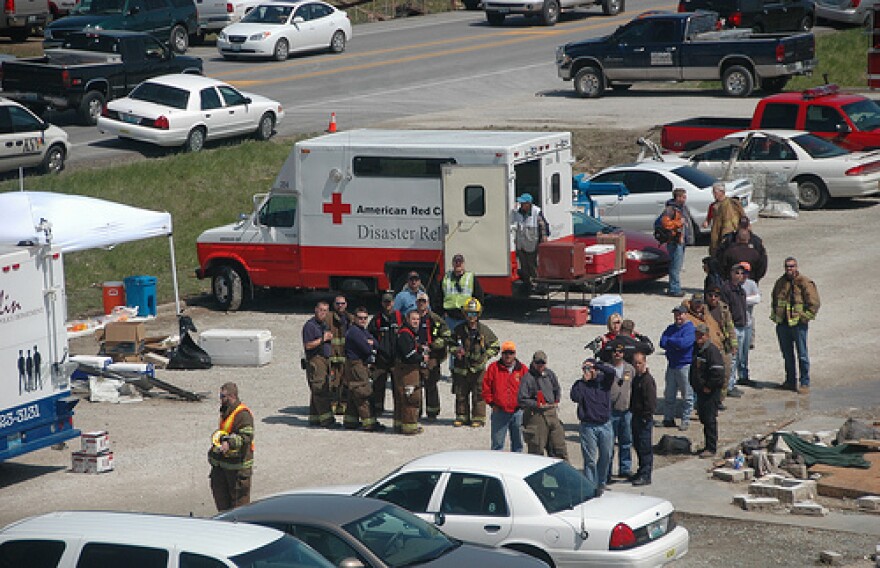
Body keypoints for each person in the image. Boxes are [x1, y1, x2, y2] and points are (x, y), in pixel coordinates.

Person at [770, 257, 820, 394]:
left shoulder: (804, 282)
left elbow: (814, 303)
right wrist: (776, 316)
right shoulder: (780, 282)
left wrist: (804, 318)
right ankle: (790, 381)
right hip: (783, 324)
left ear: (796, 267)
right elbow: (774, 299)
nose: (789, 269)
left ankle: (804, 382)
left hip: (798, 325)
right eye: (787, 266)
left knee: (802, 354)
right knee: (787, 355)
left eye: (792, 266)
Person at [450, 297, 499, 427]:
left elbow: (495, 345)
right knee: (461, 393)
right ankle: (462, 417)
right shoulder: (458, 330)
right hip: (461, 368)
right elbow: (449, 344)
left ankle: (478, 418)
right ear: (465, 314)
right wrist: (456, 351)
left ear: (478, 314)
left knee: (479, 394)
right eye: (469, 313)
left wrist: (486, 356)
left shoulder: (484, 330)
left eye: (474, 314)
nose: (471, 317)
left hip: (478, 369)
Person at [570, 358, 616, 492]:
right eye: (585, 369)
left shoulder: (604, 382)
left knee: (606, 455)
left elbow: (611, 372)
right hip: (588, 426)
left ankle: (601, 482)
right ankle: (590, 486)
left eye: (590, 369)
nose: (588, 371)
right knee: (589, 459)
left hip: (605, 425)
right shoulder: (580, 384)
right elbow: (575, 397)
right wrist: (584, 381)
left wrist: (596, 365)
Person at [209, 382, 254, 512]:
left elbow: (247, 437)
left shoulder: (243, 414)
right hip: (223, 467)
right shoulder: (226, 411)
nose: (221, 400)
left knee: (239, 511)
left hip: (238, 471)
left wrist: (230, 443)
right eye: (220, 396)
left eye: (223, 396)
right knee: (223, 509)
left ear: (232, 396)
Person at [518, 350, 568, 460]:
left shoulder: (550, 374)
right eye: (538, 363)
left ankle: (562, 475)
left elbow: (557, 388)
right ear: (533, 362)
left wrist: (556, 400)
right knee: (536, 450)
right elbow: (521, 399)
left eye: (543, 363)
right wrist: (536, 404)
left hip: (552, 414)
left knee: (559, 447)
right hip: (536, 416)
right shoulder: (527, 378)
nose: (540, 365)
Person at [342, 306, 385, 432]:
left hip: (360, 365)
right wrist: (369, 344)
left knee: (353, 393)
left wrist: (371, 343)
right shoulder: (354, 332)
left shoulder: (362, 331)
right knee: (363, 393)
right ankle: (369, 423)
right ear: (354, 318)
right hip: (356, 366)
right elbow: (367, 349)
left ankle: (351, 421)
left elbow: (376, 344)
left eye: (365, 318)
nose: (363, 320)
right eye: (360, 318)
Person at [483, 341, 526, 452]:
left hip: (517, 412)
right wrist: (491, 403)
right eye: (505, 353)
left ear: (515, 354)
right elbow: (486, 387)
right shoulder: (493, 368)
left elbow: (529, 388)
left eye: (510, 353)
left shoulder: (522, 369)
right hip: (499, 412)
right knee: (497, 445)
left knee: (518, 445)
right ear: (502, 354)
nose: (508, 356)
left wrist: (525, 405)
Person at [690, 324, 725, 458]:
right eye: (697, 334)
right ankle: (707, 445)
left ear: (707, 336)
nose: (698, 337)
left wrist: (709, 386)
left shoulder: (712, 351)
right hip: (700, 391)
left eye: (701, 335)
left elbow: (718, 373)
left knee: (710, 419)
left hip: (710, 392)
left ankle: (711, 448)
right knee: (704, 418)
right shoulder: (697, 349)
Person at [415, 291, 451, 421]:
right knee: (416, 384)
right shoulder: (411, 317)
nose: (421, 304)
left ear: (428, 303)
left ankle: (432, 412)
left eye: (423, 301)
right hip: (415, 355)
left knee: (431, 383)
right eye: (419, 301)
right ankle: (416, 412)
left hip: (432, 355)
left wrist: (433, 345)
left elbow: (446, 334)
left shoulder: (435, 318)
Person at [659, 305, 695, 430]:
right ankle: (668, 419)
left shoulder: (690, 329)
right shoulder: (671, 328)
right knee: (669, 394)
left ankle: (685, 420)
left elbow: (685, 344)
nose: (678, 317)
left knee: (687, 395)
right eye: (676, 314)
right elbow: (662, 342)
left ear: (686, 315)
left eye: (680, 314)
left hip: (685, 365)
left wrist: (671, 341)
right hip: (672, 365)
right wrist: (675, 343)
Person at [367, 292, 403, 416]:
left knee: (398, 386)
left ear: (393, 303)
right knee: (378, 385)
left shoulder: (399, 317)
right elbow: (369, 335)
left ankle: (398, 409)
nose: (388, 304)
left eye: (390, 302)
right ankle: (377, 409)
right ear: (382, 303)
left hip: (396, 359)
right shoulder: (377, 319)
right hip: (381, 358)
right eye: (385, 302)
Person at [302, 301, 335, 428]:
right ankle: (327, 421)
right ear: (315, 310)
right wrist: (323, 339)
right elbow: (308, 345)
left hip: (324, 360)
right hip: (315, 360)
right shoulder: (310, 326)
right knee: (320, 390)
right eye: (321, 310)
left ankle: (315, 418)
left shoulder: (324, 325)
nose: (323, 313)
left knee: (318, 390)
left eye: (325, 311)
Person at [393, 310, 427, 435]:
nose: (416, 321)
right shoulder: (405, 334)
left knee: (401, 397)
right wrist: (422, 357)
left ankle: (399, 425)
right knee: (411, 398)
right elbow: (409, 356)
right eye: (413, 319)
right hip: (407, 371)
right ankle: (410, 427)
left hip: (404, 370)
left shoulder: (410, 333)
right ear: (407, 319)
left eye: (417, 319)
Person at [607, 341, 635, 481]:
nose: (617, 354)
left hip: (626, 411)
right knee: (609, 444)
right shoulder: (607, 369)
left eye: (620, 352)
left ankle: (625, 468)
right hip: (611, 412)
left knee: (626, 442)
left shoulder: (630, 368)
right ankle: (607, 472)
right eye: (615, 351)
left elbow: (634, 387)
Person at [658, 188, 694, 297]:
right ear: (677, 197)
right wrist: (679, 223)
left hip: (681, 240)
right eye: (683, 197)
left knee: (678, 265)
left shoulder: (683, 208)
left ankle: (675, 287)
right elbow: (665, 224)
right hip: (674, 240)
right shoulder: (670, 209)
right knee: (675, 265)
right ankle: (674, 289)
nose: (685, 199)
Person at [705, 284, 738, 403]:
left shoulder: (724, 309)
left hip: (723, 347)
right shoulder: (702, 309)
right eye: (710, 295)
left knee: (725, 375)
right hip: (708, 349)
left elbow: (730, 327)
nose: (713, 298)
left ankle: (720, 400)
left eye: (716, 296)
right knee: (708, 376)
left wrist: (734, 345)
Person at [721, 264, 749, 397]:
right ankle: (728, 386)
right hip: (733, 328)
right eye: (737, 273)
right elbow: (725, 312)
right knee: (731, 358)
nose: (740, 275)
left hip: (742, 327)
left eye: (741, 273)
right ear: (731, 273)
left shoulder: (741, 290)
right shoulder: (726, 290)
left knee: (737, 358)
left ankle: (731, 383)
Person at [511, 193, 549, 293]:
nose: (521, 205)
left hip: (532, 243)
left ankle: (538, 284)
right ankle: (527, 284)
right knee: (524, 266)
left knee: (533, 265)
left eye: (523, 203)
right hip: (521, 244)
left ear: (529, 204)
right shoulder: (517, 212)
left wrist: (543, 238)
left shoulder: (536, 212)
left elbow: (543, 226)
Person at [629, 351, 656, 486]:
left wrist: (646, 417)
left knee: (645, 447)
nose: (637, 365)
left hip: (644, 419)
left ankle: (646, 475)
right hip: (636, 416)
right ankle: (641, 470)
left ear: (644, 362)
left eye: (639, 363)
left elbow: (651, 402)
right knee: (638, 445)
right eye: (635, 363)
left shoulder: (647, 380)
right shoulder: (636, 378)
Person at [441, 253, 483, 332]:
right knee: (450, 341)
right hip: (450, 318)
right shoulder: (446, 278)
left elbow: (479, 298)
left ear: (463, 264)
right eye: (456, 262)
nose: (458, 264)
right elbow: (439, 297)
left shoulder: (470, 277)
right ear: (452, 264)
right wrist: (441, 314)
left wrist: (475, 317)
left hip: (466, 318)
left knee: (466, 342)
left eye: (460, 262)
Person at [702, 183, 745, 255]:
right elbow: (708, 218)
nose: (714, 195)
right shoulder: (713, 206)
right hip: (717, 231)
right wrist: (706, 222)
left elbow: (742, 215)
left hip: (731, 231)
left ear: (722, 192)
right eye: (713, 192)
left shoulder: (733, 203)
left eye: (715, 192)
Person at [328, 295, 353, 415]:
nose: (340, 306)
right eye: (338, 303)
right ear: (334, 305)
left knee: (346, 383)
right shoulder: (328, 318)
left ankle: (343, 406)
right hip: (332, 358)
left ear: (346, 304)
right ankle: (332, 406)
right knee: (332, 383)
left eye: (342, 303)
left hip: (346, 357)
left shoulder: (350, 319)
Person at [739, 262, 761, 385]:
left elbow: (757, 299)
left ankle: (744, 376)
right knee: (735, 354)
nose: (743, 274)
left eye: (746, 272)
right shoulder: (731, 285)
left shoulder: (751, 284)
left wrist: (741, 300)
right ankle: (731, 381)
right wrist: (747, 300)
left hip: (747, 323)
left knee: (745, 352)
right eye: (741, 272)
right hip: (736, 323)